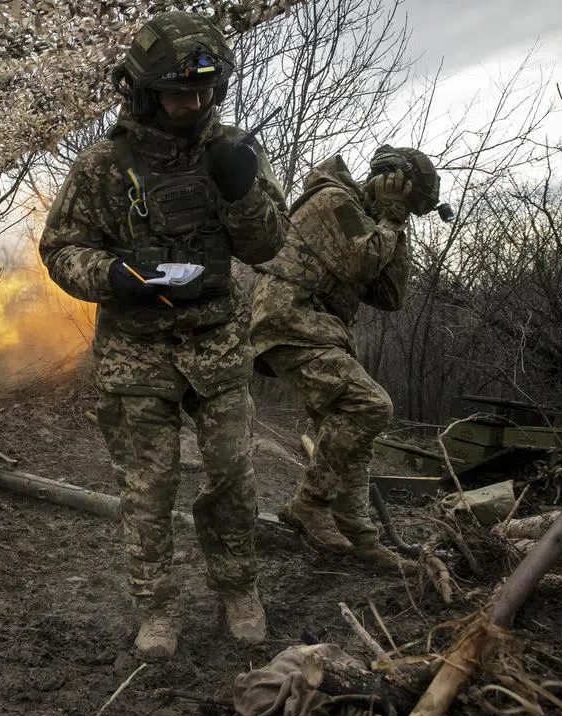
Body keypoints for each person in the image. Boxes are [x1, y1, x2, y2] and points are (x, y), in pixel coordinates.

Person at [39, 10, 287, 659]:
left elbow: (267, 246)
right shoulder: (102, 166)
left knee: (233, 476)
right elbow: (61, 247)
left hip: (219, 343)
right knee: (148, 492)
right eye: (180, 91)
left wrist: (241, 193)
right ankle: (157, 608)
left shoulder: (234, 152)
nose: (195, 102)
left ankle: (239, 589)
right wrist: (113, 275)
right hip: (134, 352)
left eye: (206, 90)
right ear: (145, 91)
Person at [249, 146, 441, 571]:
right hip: (290, 319)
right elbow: (360, 264)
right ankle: (308, 503)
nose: (403, 211)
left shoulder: (374, 221)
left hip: (319, 328)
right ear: (386, 180)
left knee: (353, 433)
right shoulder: (333, 200)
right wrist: (390, 219)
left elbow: (390, 295)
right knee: (371, 405)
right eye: (404, 200)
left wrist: (396, 222)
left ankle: (359, 536)